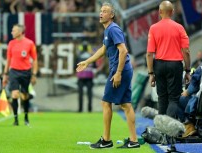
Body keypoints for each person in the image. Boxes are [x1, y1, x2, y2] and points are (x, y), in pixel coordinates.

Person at [76, 2, 140, 149]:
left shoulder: (113, 29)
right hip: (123, 69)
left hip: (120, 70)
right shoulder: (108, 30)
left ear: (112, 15)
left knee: (106, 103)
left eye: (105, 11)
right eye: (101, 11)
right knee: (126, 105)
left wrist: (117, 73)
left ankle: (106, 140)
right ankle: (134, 141)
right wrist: (87, 61)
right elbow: (103, 49)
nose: (101, 13)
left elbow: (123, 51)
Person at [146, 1, 191, 118]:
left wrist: (151, 73)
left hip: (159, 65)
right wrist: (187, 71)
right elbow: (186, 51)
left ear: (160, 12)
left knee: (162, 97)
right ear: (172, 12)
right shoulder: (179, 28)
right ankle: (169, 130)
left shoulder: (153, 28)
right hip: (175, 65)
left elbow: (149, 54)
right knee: (174, 99)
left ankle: (161, 131)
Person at [3, 24, 38, 126]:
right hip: (13, 71)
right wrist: (5, 74)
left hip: (26, 72)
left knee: (24, 96)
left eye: (14, 31)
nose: (12, 32)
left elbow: (35, 59)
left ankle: (26, 118)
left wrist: (34, 74)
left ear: (20, 32)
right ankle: (16, 120)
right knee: (14, 94)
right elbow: (8, 60)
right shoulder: (11, 43)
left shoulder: (29, 43)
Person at [178, 45, 202, 137]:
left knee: (177, 100)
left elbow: (192, 88)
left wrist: (186, 92)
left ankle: (189, 124)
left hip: (201, 104)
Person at [76, 41, 95, 112]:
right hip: (89, 77)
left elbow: (76, 65)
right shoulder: (91, 56)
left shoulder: (79, 56)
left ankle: (80, 109)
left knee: (80, 95)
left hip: (80, 77)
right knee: (89, 94)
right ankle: (89, 109)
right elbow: (94, 66)